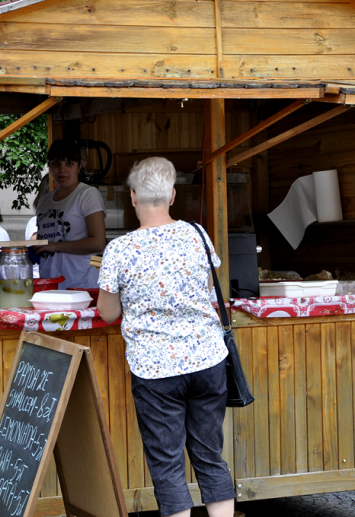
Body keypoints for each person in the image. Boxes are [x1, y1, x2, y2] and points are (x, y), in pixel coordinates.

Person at [96, 157, 235, 517]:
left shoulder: (120, 250)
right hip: (207, 360)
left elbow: (108, 312)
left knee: (168, 464)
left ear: (132, 198)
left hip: (156, 370)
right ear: (172, 196)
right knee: (209, 455)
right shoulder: (197, 235)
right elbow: (208, 290)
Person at [33, 139, 106, 288]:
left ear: (79, 166)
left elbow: (98, 243)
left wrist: (55, 246)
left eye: (69, 163)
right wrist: (34, 248)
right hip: (48, 281)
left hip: (80, 283)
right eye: (56, 163)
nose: (62, 169)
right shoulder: (43, 201)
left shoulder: (87, 194)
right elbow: (45, 240)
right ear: (49, 166)